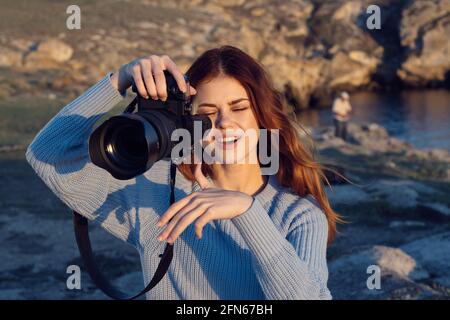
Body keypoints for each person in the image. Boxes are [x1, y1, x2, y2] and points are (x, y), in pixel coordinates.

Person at [26, 45, 340, 300]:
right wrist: (119, 81)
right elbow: (48, 156)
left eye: (239, 108)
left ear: (262, 117)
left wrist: (247, 211)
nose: (224, 123)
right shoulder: (161, 189)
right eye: (207, 114)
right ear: (190, 125)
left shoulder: (299, 213)